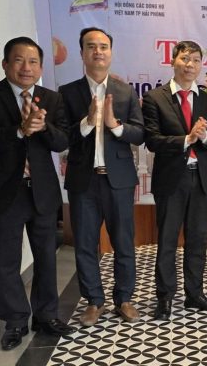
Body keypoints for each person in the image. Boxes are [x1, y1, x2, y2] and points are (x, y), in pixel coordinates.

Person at [0, 37, 75, 350]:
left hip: (42, 192)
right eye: (18, 60)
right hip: (5, 193)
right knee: (6, 261)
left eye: (33, 62)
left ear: (40, 67)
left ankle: (46, 316)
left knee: (46, 258)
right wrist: (19, 130)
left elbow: (62, 141)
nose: (26, 67)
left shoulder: (51, 98)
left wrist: (42, 127)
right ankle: (15, 321)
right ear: (6, 64)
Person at [59, 27, 144, 326]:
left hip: (118, 180)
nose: (98, 51)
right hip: (83, 182)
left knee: (123, 242)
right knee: (84, 244)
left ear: (111, 52)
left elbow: (140, 133)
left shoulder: (125, 91)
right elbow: (61, 137)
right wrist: (88, 121)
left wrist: (114, 125)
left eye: (104, 46)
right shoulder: (67, 92)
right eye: (91, 46)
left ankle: (124, 299)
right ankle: (94, 301)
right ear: (82, 53)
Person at [142, 41, 207, 319]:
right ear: (173, 61)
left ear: (201, 65)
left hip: (200, 179)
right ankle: (165, 297)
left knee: (198, 239)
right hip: (170, 180)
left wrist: (204, 136)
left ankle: (194, 294)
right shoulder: (155, 98)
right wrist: (186, 139)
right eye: (185, 58)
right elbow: (152, 140)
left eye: (196, 60)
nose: (190, 65)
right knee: (167, 240)